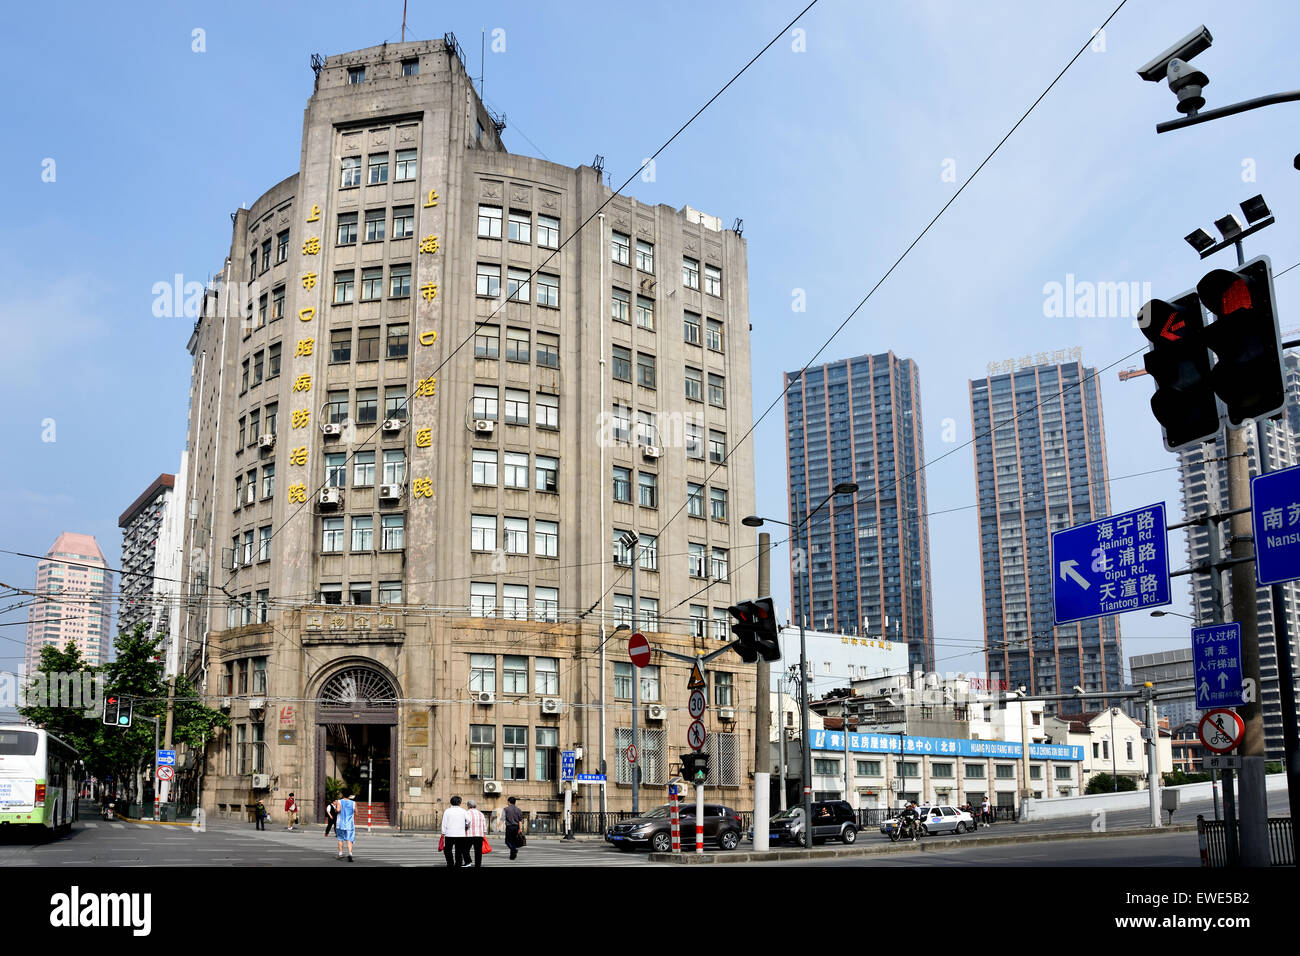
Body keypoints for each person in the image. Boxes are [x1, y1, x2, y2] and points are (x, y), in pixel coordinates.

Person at [441, 796, 469, 867]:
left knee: (447, 850)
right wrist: (465, 826)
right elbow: (469, 821)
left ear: (451, 802)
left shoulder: (447, 811)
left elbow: (444, 823)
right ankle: (458, 864)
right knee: (459, 851)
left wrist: (443, 833)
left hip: (449, 834)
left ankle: (450, 863)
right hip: (460, 834)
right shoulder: (463, 811)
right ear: (460, 803)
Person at [334, 789, 356, 861]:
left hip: (340, 823)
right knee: (349, 839)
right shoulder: (353, 803)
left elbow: (338, 810)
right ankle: (350, 853)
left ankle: (340, 853)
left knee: (340, 838)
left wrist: (335, 809)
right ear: (349, 795)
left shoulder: (339, 801)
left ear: (342, 794)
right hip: (350, 824)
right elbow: (357, 812)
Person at [465, 799, 488, 867]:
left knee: (465, 849)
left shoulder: (467, 813)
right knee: (478, 851)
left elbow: (465, 823)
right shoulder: (481, 813)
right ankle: (478, 865)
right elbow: (484, 825)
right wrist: (484, 833)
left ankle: (468, 861)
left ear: (468, 805)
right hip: (479, 835)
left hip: (469, 834)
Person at [503, 796, 525, 861]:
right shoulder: (518, 810)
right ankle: (512, 856)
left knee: (507, 841)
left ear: (509, 802)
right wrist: (520, 829)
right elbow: (520, 820)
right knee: (513, 841)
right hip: (516, 827)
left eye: (507, 801)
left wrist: (499, 824)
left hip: (509, 827)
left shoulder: (506, 809)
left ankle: (514, 850)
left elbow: (502, 818)